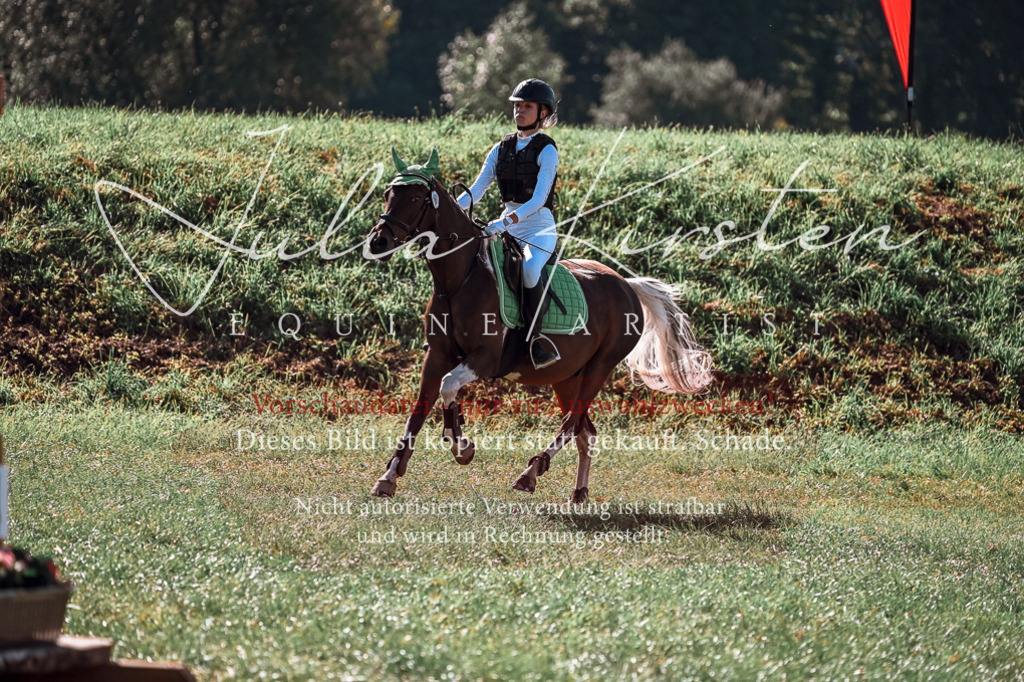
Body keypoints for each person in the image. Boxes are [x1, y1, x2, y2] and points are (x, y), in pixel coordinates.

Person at [457, 78, 561, 369]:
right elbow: (477, 190)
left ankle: (535, 340)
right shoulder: (500, 148)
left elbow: (539, 199)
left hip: (537, 228)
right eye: (517, 106)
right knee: (468, 264)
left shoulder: (547, 150)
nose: (519, 111)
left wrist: (506, 221)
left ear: (542, 113)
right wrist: (451, 209)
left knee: (528, 270)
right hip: (506, 225)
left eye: (526, 106)